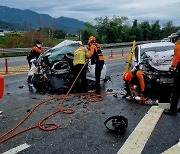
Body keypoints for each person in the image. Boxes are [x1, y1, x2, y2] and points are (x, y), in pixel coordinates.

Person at [164, 30, 180, 116]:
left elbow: (177, 58)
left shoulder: (178, 45)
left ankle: (173, 110)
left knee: (176, 90)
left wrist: (172, 68)